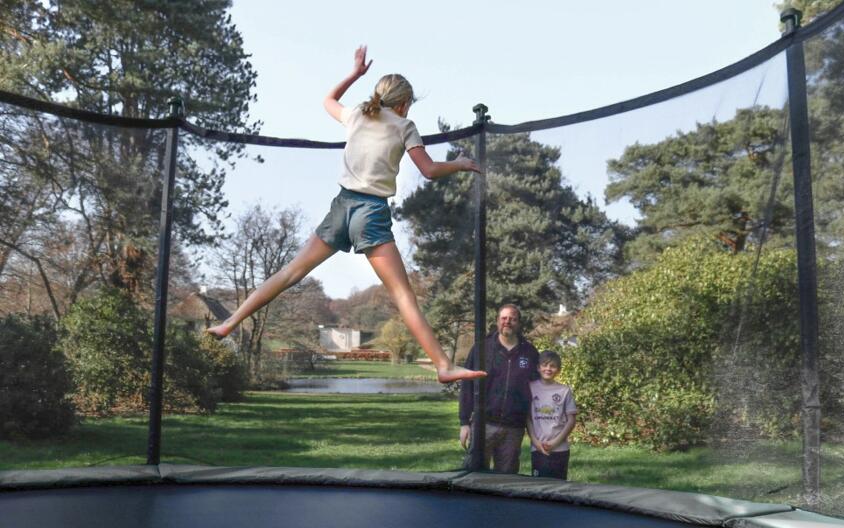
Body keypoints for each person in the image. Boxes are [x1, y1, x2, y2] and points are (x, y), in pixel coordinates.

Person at [207, 46, 486, 384]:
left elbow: (327, 99)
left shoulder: (356, 114)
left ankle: (229, 322)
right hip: (371, 211)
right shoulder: (405, 125)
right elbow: (427, 170)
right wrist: (458, 164)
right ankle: (443, 364)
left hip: (341, 206)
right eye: (409, 103)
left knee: (290, 272)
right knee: (402, 295)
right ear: (402, 103)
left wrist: (354, 74)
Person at [459, 304, 540, 473]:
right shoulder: (482, 349)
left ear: (519, 323)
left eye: (512, 319)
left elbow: (537, 390)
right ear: (497, 321)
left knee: (506, 480)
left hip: (514, 428)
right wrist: (464, 423)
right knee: (474, 476)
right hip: (483, 424)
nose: (507, 322)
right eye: (504, 318)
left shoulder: (530, 352)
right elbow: (467, 386)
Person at [527, 350, 577, 480]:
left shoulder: (564, 391)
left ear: (558, 370)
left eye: (553, 366)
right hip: (538, 448)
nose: (548, 369)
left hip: (560, 449)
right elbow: (528, 418)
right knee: (538, 487)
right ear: (538, 368)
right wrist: (535, 442)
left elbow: (571, 421)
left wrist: (555, 442)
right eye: (545, 365)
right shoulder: (530, 388)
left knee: (558, 488)